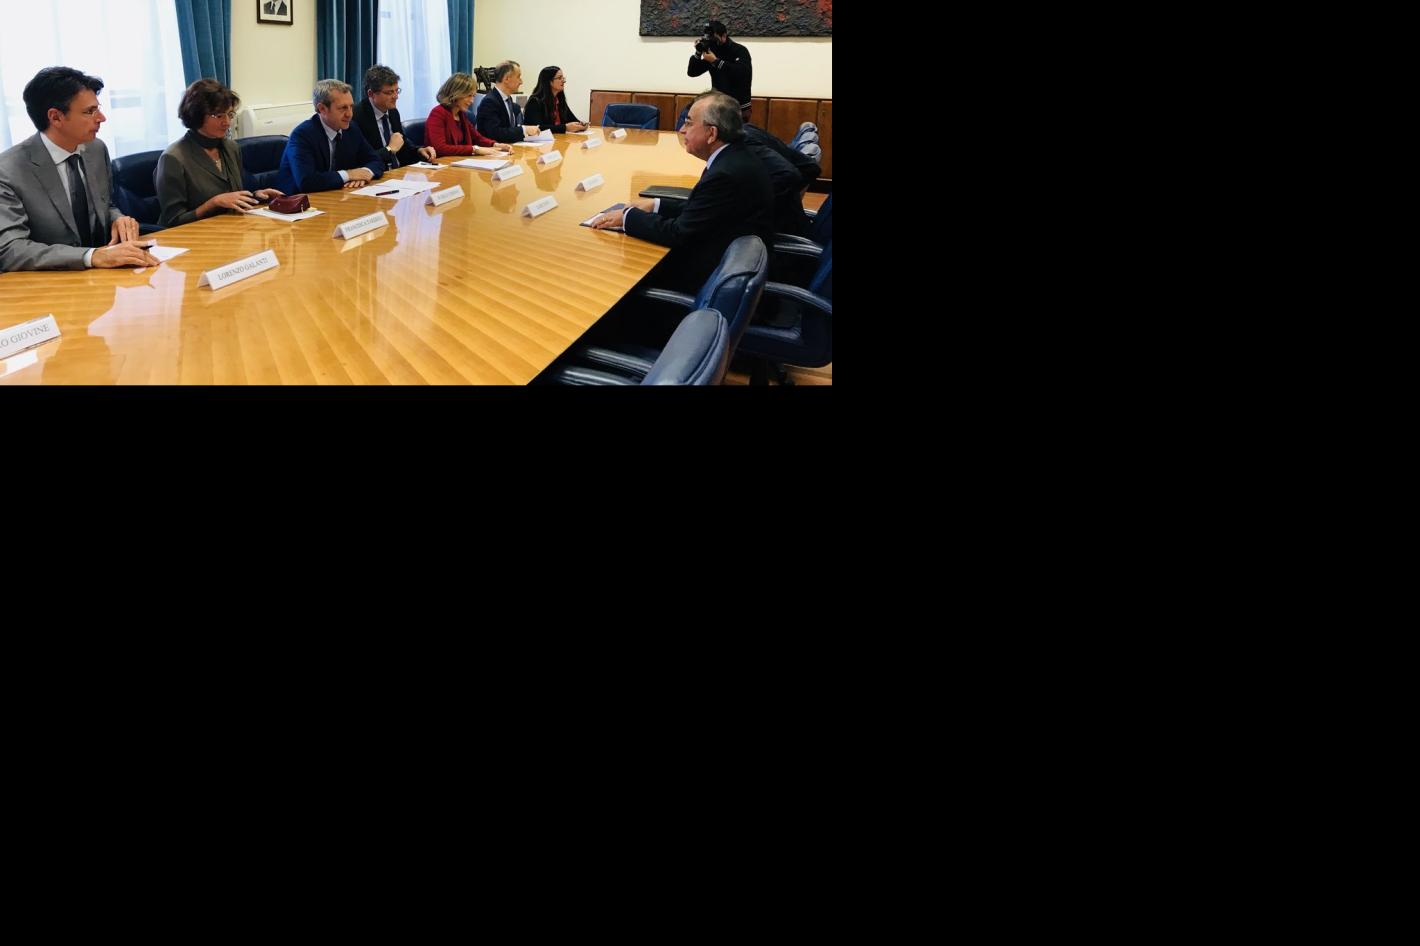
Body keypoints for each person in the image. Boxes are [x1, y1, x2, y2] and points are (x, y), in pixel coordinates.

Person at [593, 91, 772, 293]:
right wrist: (656, 205)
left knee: (616, 274)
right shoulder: (735, 156)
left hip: (706, 278)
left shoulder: (725, 174)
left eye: (688, 123)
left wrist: (628, 217)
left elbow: (679, 234)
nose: (681, 130)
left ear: (712, 134)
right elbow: (703, 209)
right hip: (724, 258)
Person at [0, 66, 157, 272]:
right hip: (50, 283)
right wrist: (90, 256)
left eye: (98, 109)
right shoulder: (8, 170)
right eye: (89, 111)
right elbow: (12, 249)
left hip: (104, 277)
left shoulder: (96, 149)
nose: (101, 118)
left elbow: (106, 205)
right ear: (55, 117)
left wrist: (118, 220)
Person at [155, 79, 284, 228]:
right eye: (219, 115)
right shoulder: (173, 158)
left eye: (230, 114)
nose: (227, 122)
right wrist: (213, 203)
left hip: (231, 230)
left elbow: (233, 196)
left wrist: (257, 196)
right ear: (196, 115)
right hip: (193, 236)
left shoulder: (231, 148)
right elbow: (172, 222)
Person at [274, 79, 386, 194]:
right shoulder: (302, 135)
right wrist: (349, 175)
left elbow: (376, 160)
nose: (349, 114)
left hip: (336, 195)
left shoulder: (351, 129)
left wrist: (365, 173)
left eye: (351, 107)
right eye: (343, 108)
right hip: (298, 200)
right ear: (322, 109)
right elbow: (306, 182)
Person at [353, 64, 438, 170]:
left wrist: (419, 151)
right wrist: (389, 149)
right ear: (371, 94)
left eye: (396, 91)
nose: (396, 97)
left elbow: (402, 143)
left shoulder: (393, 112)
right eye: (389, 92)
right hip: (376, 175)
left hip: (399, 173)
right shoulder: (356, 117)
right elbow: (360, 160)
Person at [424, 73, 511, 157]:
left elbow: (477, 138)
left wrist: (496, 145)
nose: (472, 101)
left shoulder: (461, 114)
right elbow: (439, 148)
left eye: (473, 96)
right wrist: (474, 149)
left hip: (459, 162)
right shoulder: (437, 113)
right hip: (442, 163)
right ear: (455, 93)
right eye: (469, 96)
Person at [686, 20, 752, 119]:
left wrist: (716, 61)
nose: (713, 42)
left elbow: (742, 73)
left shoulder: (739, 50)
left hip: (739, 106)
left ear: (724, 36)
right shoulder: (713, 51)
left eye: (714, 39)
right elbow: (692, 72)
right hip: (718, 105)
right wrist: (698, 52)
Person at [475, 61, 541, 144]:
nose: (521, 82)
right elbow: (495, 134)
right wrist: (524, 130)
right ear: (506, 79)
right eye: (518, 77)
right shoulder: (489, 102)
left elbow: (509, 130)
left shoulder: (508, 99)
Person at [522, 66, 588, 135]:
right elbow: (537, 128)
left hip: (558, 139)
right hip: (541, 141)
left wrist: (581, 124)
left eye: (563, 78)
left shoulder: (559, 99)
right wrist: (565, 128)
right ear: (549, 81)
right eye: (559, 78)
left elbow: (572, 120)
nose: (564, 81)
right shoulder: (535, 101)